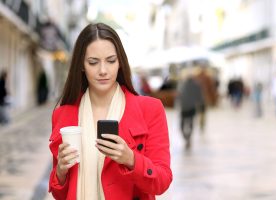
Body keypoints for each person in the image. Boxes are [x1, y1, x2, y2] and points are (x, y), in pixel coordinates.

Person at [48, 23, 172, 200]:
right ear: (81, 65)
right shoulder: (63, 115)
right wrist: (60, 170)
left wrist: (131, 159)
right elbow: (60, 194)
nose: (103, 71)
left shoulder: (150, 109)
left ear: (120, 62)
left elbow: (162, 181)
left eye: (111, 60)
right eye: (93, 62)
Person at [177, 71, 204, 148]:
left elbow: (178, 96)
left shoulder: (182, 84)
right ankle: (188, 137)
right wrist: (200, 105)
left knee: (182, 124)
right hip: (192, 107)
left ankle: (186, 137)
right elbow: (199, 97)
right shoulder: (196, 85)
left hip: (184, 107)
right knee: (191, 123)